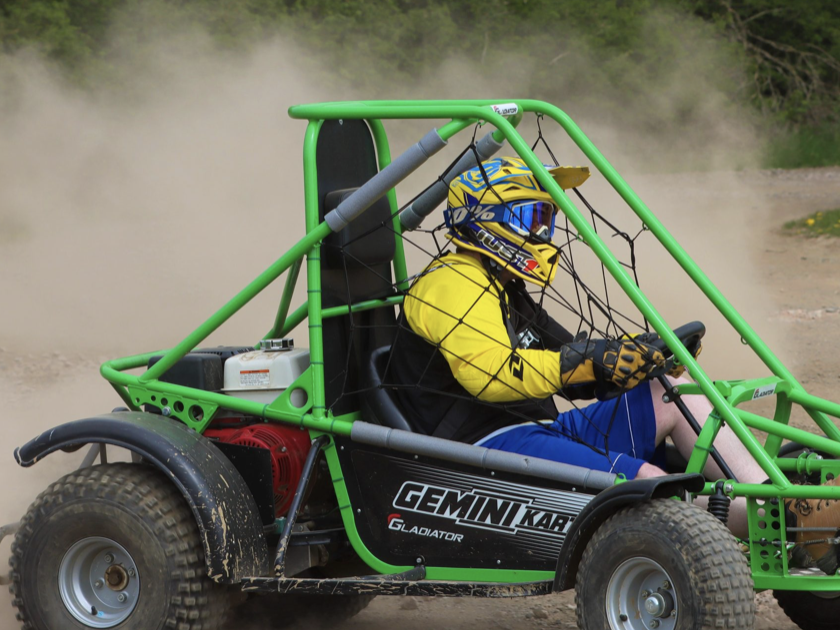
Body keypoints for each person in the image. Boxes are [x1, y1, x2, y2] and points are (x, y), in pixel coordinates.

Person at [389, 156, 834, 554]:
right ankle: (790, 525)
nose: (542, 234)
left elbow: (573, 357)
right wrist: (586, 362)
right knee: (644, 482)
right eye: (530, 218)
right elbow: (492, 376)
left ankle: (779, 498)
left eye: (546, 221)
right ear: (485, 220)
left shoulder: (505, 284)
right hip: (481, 449)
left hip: (537, 430)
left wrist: (636, 359)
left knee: (668, 389)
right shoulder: (451, 281)